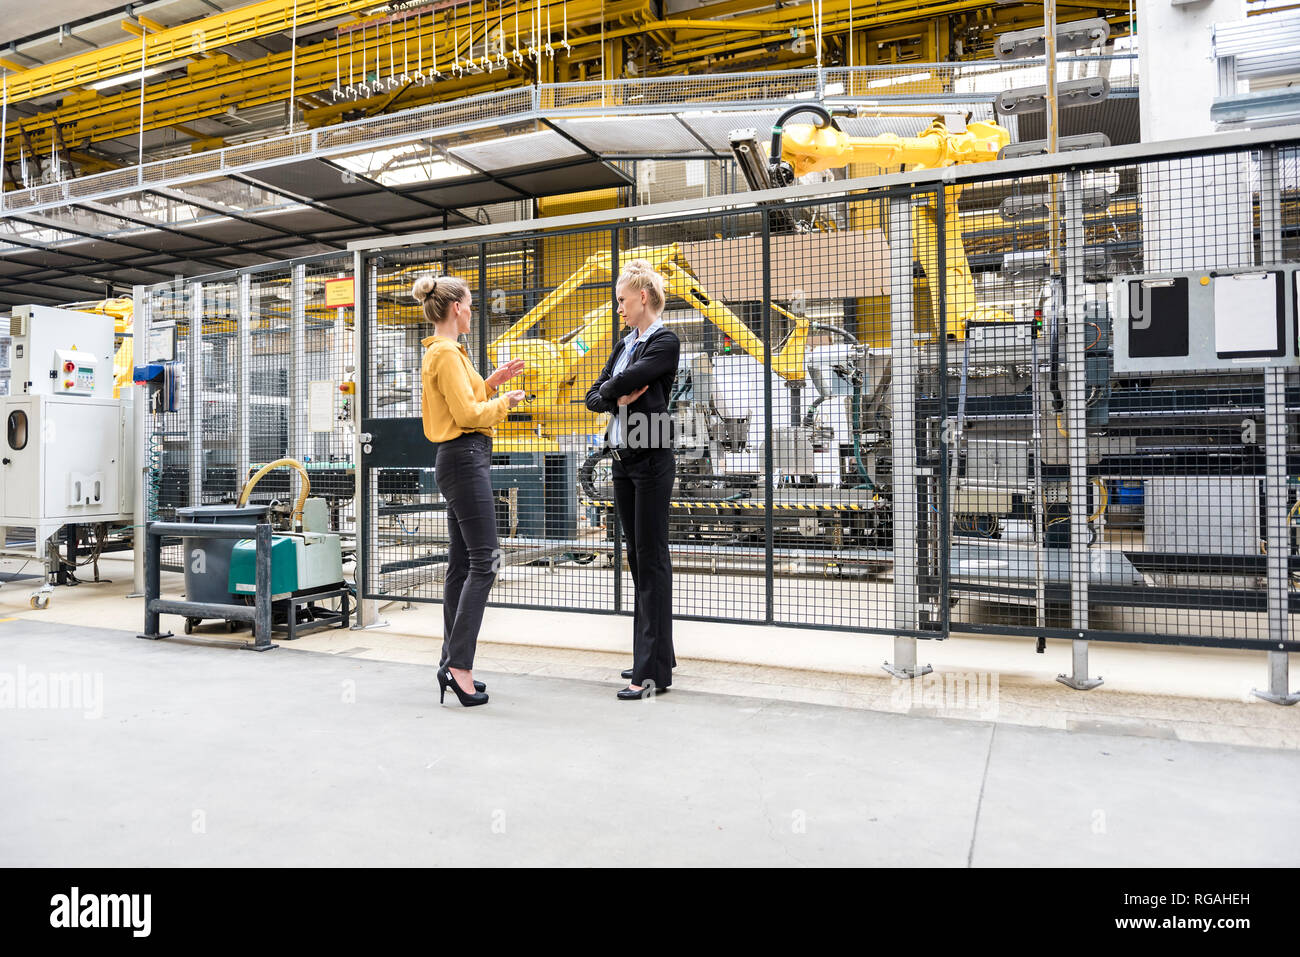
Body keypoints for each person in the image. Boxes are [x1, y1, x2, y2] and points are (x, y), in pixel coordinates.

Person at [415, 274, 526, 708]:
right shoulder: (445, 353)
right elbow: (466, 414)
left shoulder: (446, 352)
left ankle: (450, 662)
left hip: (460, 459)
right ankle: (459, 665)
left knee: (462, 566)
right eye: (470, 303)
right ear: (456, 307)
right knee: (486, 562)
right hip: (464, 457)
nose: (473, 308)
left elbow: (461, 400)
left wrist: (491, 381)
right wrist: (504, 403)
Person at [585, 260, 680, 700]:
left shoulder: (665, 340)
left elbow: (626, 381)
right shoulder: (625, 342)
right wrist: (613, 392)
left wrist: (614, 390)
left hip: (653, 452)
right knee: (637, 559)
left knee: (651, 556)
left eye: (622, 300)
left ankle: (651, 671)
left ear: (643, 297)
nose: (618, 307)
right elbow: (595, 393)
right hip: (623, 454)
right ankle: (656, 655)